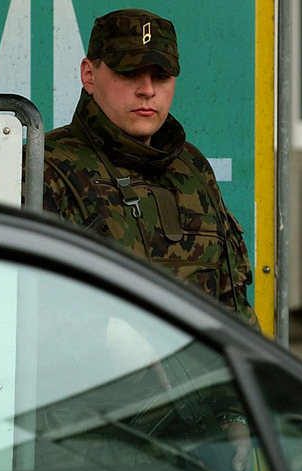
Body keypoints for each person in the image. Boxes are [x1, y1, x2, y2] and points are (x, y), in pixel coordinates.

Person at [43, 8, 258, 328]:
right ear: (89, 74)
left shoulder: (193, 167)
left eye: (160, 76)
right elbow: (34, 317)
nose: (147, 90)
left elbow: (234, 309)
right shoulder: (45, 167)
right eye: (129, 73)